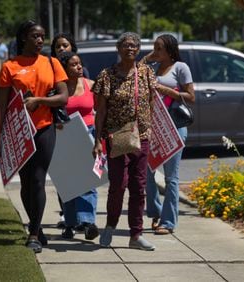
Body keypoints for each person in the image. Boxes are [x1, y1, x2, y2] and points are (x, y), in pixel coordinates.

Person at [0, 20, 68, 253]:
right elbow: (0, 105)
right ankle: (36, 225)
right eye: (35, 36)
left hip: (44, 128)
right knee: (25, 182)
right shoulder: (10, 66)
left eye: (42, 36)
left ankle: (33, 233)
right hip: (19, 132)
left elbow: (64, 97)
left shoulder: (52, 63)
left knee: (37, 178)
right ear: (23, 38)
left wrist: (40, 101)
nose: (40, 41)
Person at [92, 32, 156, 251]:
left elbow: (151, 102)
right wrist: (98, 140)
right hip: (116, 136)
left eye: (135, 46)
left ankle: (136, 234)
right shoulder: (107, 75)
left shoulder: (146, 72)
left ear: (138, 50)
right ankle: (110, 224)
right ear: (119, 49)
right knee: (118, 185)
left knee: (139, 187)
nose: (131, 49)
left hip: (142, 136)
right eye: (126, 45)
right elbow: (100, 110)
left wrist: (150, 128)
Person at [141, 34, 195, 235]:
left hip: (174, 128)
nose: (155, 51)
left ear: (170, 51)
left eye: (159, 48)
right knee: (147, 173)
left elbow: (191, 97)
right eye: (154, 47)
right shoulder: (152, 68)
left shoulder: (181, 68)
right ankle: (155, 212)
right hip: (154, 128)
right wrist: (148, 57)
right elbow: (137, 74)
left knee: (171, 177)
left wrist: (164, 89)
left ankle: (168, 222)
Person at [56, 51, 99, 240]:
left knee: (89, 179)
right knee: (69, 183)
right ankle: (71, 223)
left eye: (80, 64)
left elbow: (102, 110)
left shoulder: (90, 85)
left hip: (89, 133)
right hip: (66, 135)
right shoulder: (58, 89)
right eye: (73, 65)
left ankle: (88, 222)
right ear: (64, 69)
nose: (79, 67)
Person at [50, 33, 89, 228]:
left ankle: (85, 220)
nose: (61, 49)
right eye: (58, 46)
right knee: (65, 179)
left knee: (87, 178)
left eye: (65, 45)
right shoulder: (51, 74)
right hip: (62, 131)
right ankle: (68, 216)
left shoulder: (83, 73)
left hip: (85, 131)